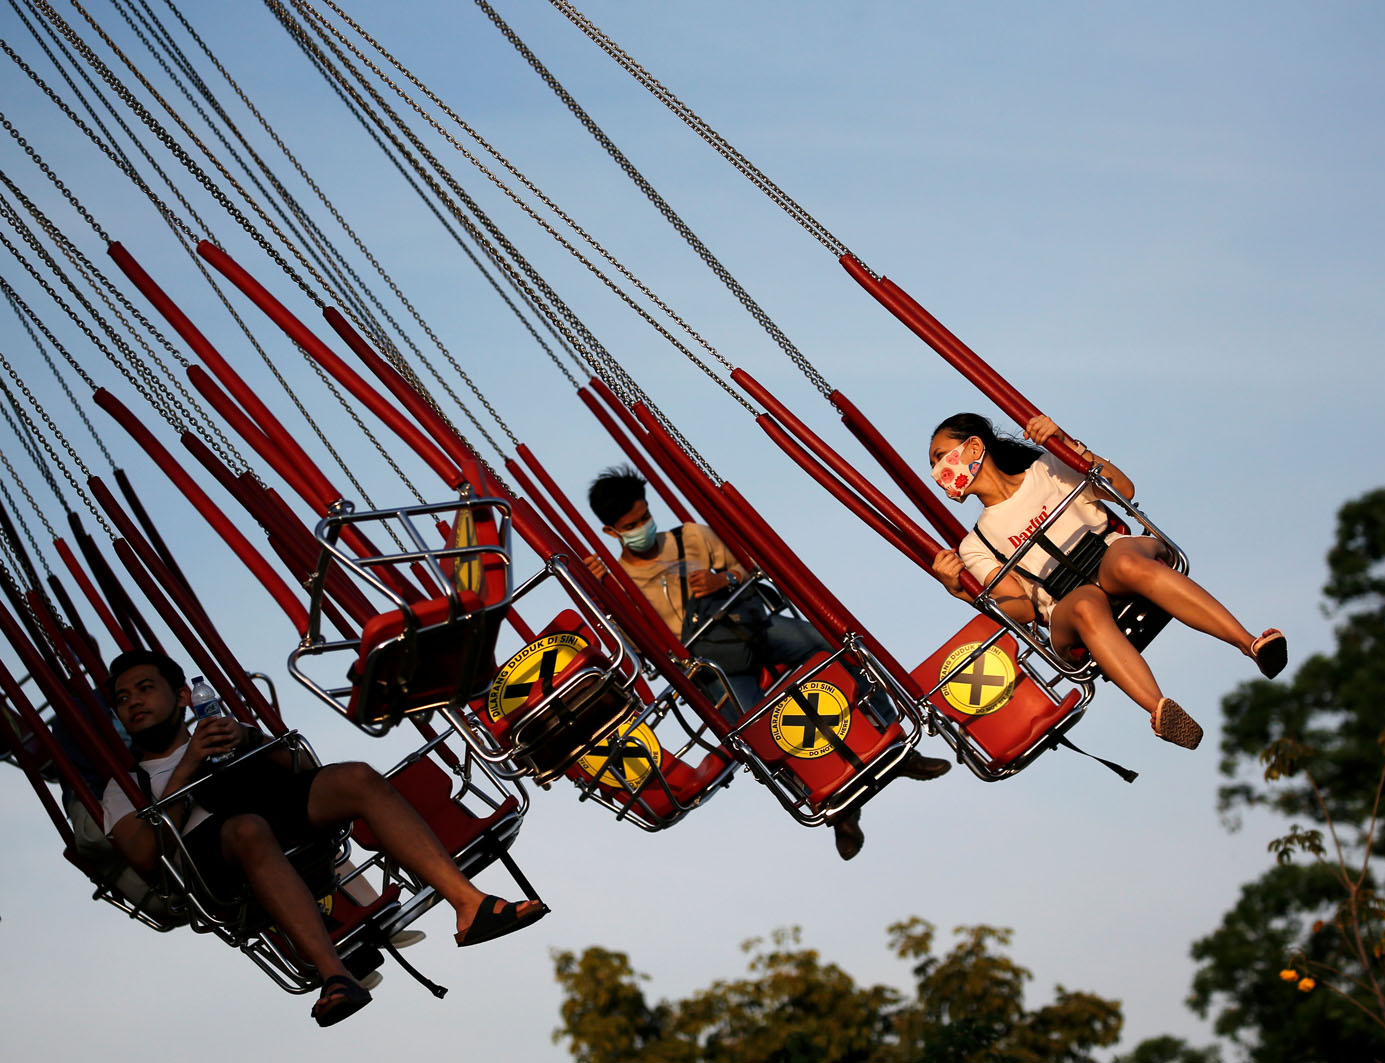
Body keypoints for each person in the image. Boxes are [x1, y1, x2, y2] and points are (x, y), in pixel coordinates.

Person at [101, 650, 547, 1027]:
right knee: (246, 829)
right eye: (123, 699)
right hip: (211, 857)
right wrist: (188, 767)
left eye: (144, 689)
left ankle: (469, 905)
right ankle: (336, 974)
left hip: (269, 811)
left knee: (354, 777)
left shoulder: (219, 728)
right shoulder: (123, 787)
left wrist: (250, 736)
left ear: (181, 696)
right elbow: (144, 856)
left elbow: (304, 772)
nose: (134, 703)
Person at [581, 465, 950, 860]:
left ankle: (894, 743)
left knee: (836, 647)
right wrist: (602, 592)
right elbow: (636, 647)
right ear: (612, 533)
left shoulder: (691, 537)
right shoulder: (618, 581)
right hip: (710, 663)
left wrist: (724, 582)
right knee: (756, 729)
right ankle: (838, 806)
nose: (644, 527)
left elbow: (748, 568)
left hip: (749, 628)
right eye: (632, 525)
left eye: (645, 517)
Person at [927, 413, 1286, 750]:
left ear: (974, 447)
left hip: (1109, 558)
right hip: (1064, 605)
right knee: (1085, 602)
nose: (937, 471)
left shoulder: (1048, 469)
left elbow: (1122, 489)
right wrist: (962, 592)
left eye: (941, 457)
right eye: (933, 465)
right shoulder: (976, 544)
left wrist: (1068, 445)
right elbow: (1020, 608)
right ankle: (1160, 710)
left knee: (1127, 562)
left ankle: (1250, 644)